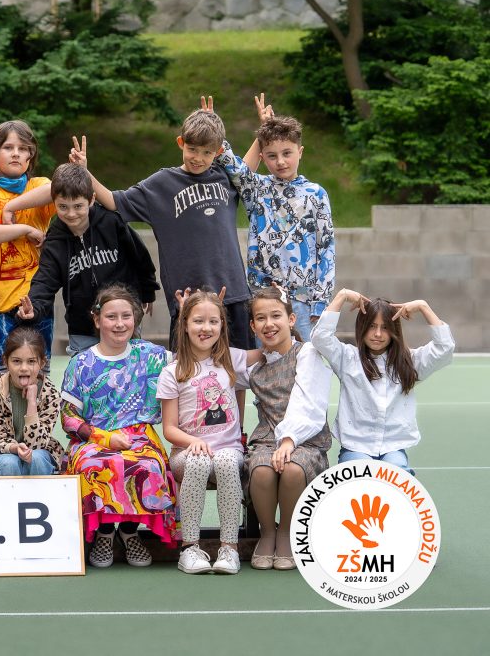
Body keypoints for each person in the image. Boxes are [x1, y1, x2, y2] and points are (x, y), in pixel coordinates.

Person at [71, 99, 251, 350]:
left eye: (207, 152)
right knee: (186, 368)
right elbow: (113, 201)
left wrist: (262, 134)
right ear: (180, 143)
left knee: (239, 367)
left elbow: (248, 171)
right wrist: (84, 171)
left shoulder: (224, 176)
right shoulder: (161, 184)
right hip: (187, 300)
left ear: (218, 151)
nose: (198, 158)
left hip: (233, 293)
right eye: (192, 149)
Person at [61, 285, 179, 569]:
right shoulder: (81, 363)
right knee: (93, 466)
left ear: (135, 318)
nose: (119, 323)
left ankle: (128, 531)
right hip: (93, 439)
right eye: (111, 316)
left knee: (147, 465)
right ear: (97, 319)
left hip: (140, 437)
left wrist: (186, 315)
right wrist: (103, 438)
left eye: (126, 316)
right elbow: (68, 417)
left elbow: (190, 355)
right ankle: (104, 533)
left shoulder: (151, 355)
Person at [216, 94, 335, 342]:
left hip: (303, 301)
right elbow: (232, 165)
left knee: (305, 360)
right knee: (265, 358)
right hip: (263, 298)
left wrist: (321, 301)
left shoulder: (316, 194)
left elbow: (326, 249)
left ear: (300, 152)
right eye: (272, 155)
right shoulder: (257, 189)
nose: (280, 162)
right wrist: (213, 127)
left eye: (287, 153)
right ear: (262, 157)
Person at [158, 290, 260, 575]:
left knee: (225, 461)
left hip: (229, 452)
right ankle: (189, 548)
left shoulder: (231, 360)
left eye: (213, 321)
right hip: (187, 453)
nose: (206, 328)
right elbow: (169, 429)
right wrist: (194, 441)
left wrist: (279, 308)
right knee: (199, 461)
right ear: (185, 324)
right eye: (198, 321)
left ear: (222, 325)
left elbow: (273, 348)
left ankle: (229, 549)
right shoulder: (173, 371)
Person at [13, 162, 158, 354]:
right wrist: (34, 308)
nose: (71, 214)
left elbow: (139, 256)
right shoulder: (55, 241)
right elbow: (45, 281)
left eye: (78, 206)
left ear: (91, 199)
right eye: (63, 207)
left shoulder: (111, 222)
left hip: (121, 319)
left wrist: (147, 292)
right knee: (85, 372)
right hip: (83, 328)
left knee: (129, 368)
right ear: (53, 202)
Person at [311, 288, 454, 474]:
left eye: (385, 327)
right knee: (360, 474)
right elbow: (320, 338)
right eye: (372, 326)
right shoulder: (347, 358)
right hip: (356, 446)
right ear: (362, 327)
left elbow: (444, 348)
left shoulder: (408, 362)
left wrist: (423, 307)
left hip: (393, 447)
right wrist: (341, 296)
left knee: (397, 472)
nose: (378, 333)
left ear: (394, 330)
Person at [243, 286, 332, 571]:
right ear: (252, 326)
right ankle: (268, 532)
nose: (269, 324)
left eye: (276, 316)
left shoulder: (307, 354)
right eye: (261, 318)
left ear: (291, 319)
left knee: (293, 469)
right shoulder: (254, 367)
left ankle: (287, 532)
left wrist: (289, 440)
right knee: (261, 470)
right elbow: (215, 363)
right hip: (268, 440)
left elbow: (308, 402)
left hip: (306, 440)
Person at [0, 120, 56, 369]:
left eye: (23, 148)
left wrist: (12, 207)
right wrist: (25, 229)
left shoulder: (38, 186)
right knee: (8, 371)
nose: (16, 153)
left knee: (39, 371)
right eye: (8, 147)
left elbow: (61, 188)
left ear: (31, 155)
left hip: (37, 297)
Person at [0, 325, 63, 475]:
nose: (24, 368)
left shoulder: (50, 394)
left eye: (31, 361)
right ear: (6, 362)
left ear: (42, 363)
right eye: (17, 361)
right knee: (9, 463)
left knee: (36, 459)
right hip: (3, 452)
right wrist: (15, 448)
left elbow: (37, 444)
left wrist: (32, 403)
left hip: (40, 450)